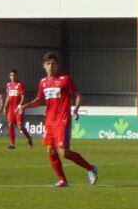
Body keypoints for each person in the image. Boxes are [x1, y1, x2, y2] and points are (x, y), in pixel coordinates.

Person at [18, 52, 98, 188]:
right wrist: (25, 106)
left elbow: (78, 95)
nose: (51, 66)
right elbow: (39, 100)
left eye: (53, 64)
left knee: (64, 153)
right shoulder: (43, 82)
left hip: (62, 120)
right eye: (48, 64)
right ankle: (62, 180)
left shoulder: (65, 79)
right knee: (50, 150)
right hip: (49, 121)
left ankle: (90, 168)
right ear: (44, 66)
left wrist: (76, 110)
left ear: (57, 65)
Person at [4, 69, 33, 149]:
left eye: (14, 75)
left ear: (16, 76)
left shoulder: (20, 85)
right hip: (11, 109)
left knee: (20, 126)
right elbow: (8, 97)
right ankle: (12, 144)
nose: (12, 77)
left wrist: (19, 106)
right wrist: (5, 107)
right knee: (10, 125)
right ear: (9, 76)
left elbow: (23, 97)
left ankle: (29, 138)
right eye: (11, 75)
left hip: (18, 109)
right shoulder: (8, 85)